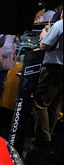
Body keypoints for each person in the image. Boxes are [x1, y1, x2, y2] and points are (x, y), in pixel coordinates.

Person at [32, 10, 63, 151]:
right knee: (55, 105)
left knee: (40, 103)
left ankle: (42, 138)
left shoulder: (59, 25)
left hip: (53, 69)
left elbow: (44, 46)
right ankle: (47, 135)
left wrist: (43, 37)